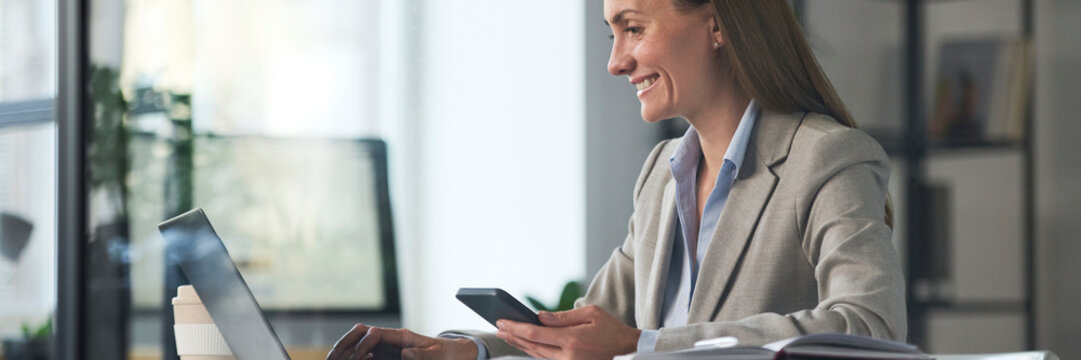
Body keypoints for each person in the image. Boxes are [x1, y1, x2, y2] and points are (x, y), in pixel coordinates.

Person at [327, 0, 906, 359]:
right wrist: (470, 351)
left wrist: (640, 346)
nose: (616, 61)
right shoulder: (662, 175)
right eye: (613, 34)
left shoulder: (826, 158)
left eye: (633, 28)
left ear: (716, 23)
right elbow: (580, 333)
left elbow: (869, 325)